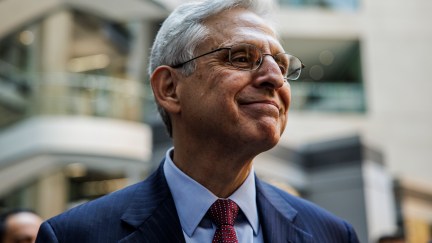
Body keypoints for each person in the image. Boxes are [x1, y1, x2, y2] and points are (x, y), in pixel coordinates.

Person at [36, 0, 360, 242]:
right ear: (170, 89)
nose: (275, 78)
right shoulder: (73, 236)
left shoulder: (332, 234)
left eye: (281, 63)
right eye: (242, 57)